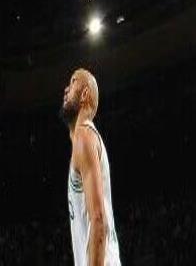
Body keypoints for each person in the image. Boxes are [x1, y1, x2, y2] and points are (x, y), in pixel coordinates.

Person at [60, 69, 121, 266]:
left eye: (73, 82)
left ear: (85, 94)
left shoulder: (84, 135)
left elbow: (98, 218)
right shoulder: (87, 138)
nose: (66, 89)